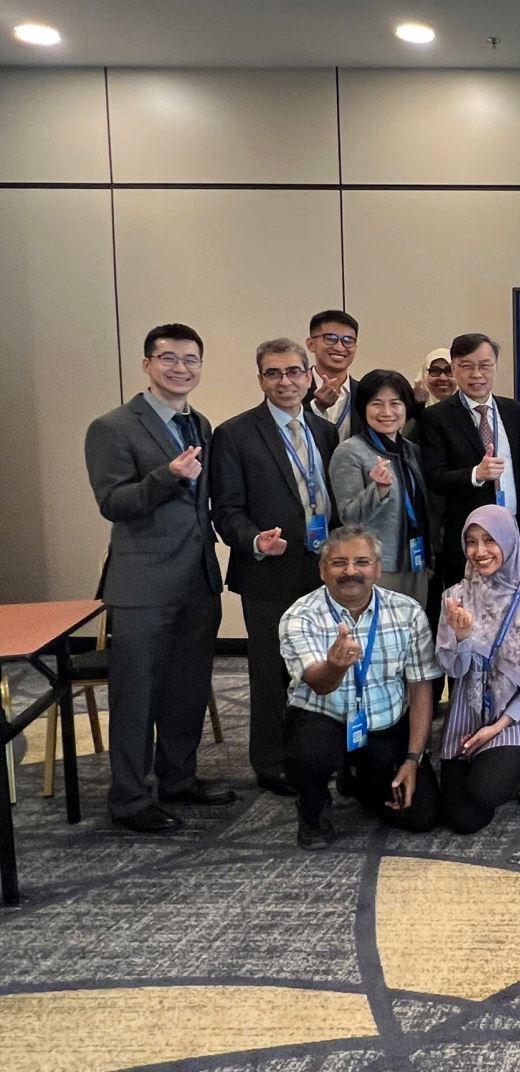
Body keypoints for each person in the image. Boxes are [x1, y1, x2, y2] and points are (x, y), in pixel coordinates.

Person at [84, 322, 234, 833]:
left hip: (198, 578)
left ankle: (178, 778)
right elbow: (113, 502)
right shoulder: (112, 427)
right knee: (137, 696)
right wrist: (167, 476)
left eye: (191, 359)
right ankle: (130, 799)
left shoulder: (201, 424)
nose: (180, 368)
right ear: (147, 364)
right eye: (168, 358)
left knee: (187, 689)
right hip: (143, 585)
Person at [211, 338, 342, 799]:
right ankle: (271, 762)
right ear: (260, 379)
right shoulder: (235, 434)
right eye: (273, 373)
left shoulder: (325, 432)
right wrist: (254, 541)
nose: (285, 381)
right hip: (269, 570)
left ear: (309, 376)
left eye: (293, 371)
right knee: (271, 671)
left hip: (322, 569)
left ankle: (316, 751)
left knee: (323, 666)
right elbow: (225, 509)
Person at [279, 526, 441, 849]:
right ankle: (313, 810)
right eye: (339, 562)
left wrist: (413, 759)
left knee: (422, 815)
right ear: (322, 570)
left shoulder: (408, 612)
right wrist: (335, 667)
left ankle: (356, 777)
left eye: (362, 562)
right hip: (324, 720)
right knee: (310, 753)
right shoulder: (299, 616)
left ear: (378, 569)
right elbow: (320, 684)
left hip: (384, 725)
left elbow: (420, 688)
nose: (350, 571)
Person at [437, 506, 520, 831]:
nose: (480, 552)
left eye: (490, 540)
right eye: (471, 542)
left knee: (487, 789)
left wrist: (498, 727)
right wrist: (462, 638)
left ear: (508, 541)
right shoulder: (455, 597)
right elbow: (452, 669)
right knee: (463, 821)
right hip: (470, 712)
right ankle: (494, 760)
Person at [417, 333, 520, 628]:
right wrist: (474, 475)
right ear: (454, 368)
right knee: (469, 618)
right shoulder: (437, 417)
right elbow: (435, 477)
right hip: (468, 538)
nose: (476, 374)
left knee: (513, 617)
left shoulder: (515, 412)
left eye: (484, 365)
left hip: (514, 533)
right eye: (466, 366)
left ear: (495, 367)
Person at [330, 369, 432, 605]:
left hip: (416, 562)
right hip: (375, 567)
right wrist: (378, 490)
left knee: (416, 626)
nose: (387, 412)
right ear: (363, 408)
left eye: (395, 403)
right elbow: (349, 517)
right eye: (377, 404)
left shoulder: (412, 451)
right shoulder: (350, 452)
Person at [304, 309, 360, 441]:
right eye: (330, 339)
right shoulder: (292, 388)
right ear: (311, 344)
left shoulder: (364, 393)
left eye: (348, 340)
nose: (340, 348)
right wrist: (317, 407)